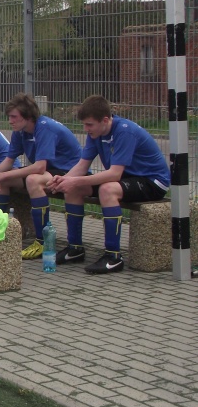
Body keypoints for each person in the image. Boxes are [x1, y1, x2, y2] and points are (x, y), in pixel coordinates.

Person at [47, 95, 170, 274]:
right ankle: (75, 248)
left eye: (89, 124)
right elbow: (82, 166)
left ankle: (113, 256)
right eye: (84, 124)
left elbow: (114, 174)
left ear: (105, 120)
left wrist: (74, 180)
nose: (85, 129)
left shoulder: (124, 131)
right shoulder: (96, 133)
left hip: (152, 181)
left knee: (107, 189)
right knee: (74, 188)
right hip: (127, 179)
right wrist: (64, 179)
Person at [0, 93, 82, 260]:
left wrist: (1, 176)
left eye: (14, 117)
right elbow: (9, 160)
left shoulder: (44, 127)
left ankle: (42, 241)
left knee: (33, 180)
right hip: (49, 171)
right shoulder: (20, 131)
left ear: (28, 116)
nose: (10, 121)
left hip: (68, 171)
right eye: (9, 117)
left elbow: (40, 167)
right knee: (4, 181)